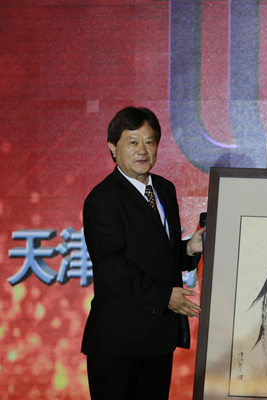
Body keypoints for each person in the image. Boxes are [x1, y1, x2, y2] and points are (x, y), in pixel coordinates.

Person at [82, 106, 205, 400]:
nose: (142, 150)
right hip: (118, 341)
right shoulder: (102, 199)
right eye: (132, 142)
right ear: (113, 148)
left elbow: (160, 254)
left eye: (149, 142)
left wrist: (189, 248)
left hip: (158, 338)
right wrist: (164, 297)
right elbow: (111, 266)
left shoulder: (164, 188)